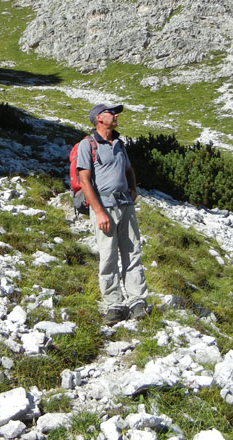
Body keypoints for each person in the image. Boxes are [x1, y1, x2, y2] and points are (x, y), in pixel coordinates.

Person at [76, 103, 149, 325]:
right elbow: (84, 180)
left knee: (132, 252)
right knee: (108, 256)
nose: (115, 115)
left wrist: (133, 188)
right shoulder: (86, 145)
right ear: (98, 118)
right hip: (104, 208)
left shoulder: (119, 143)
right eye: (111, 112)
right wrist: (99, 212)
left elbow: (128, 169)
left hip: (125, 205)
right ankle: (114, 304)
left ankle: (137, 301)